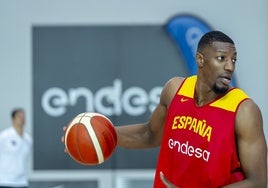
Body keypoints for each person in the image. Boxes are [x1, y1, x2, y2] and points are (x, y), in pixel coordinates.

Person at [62, 31, 267, 187]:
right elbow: (150, 134)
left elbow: (258, 182)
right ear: (200, 59)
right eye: (222, 59)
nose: (230, 67)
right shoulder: (175, 89)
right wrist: (99, 134)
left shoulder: (244, 110)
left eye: (234, 60)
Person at [0, 108, 32, 188]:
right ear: (13, 119)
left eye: (23, 117)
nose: (22, 119)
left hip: (22, 182)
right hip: (5, 181)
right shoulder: (4, 136)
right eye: (19, 116)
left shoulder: (28, 139)